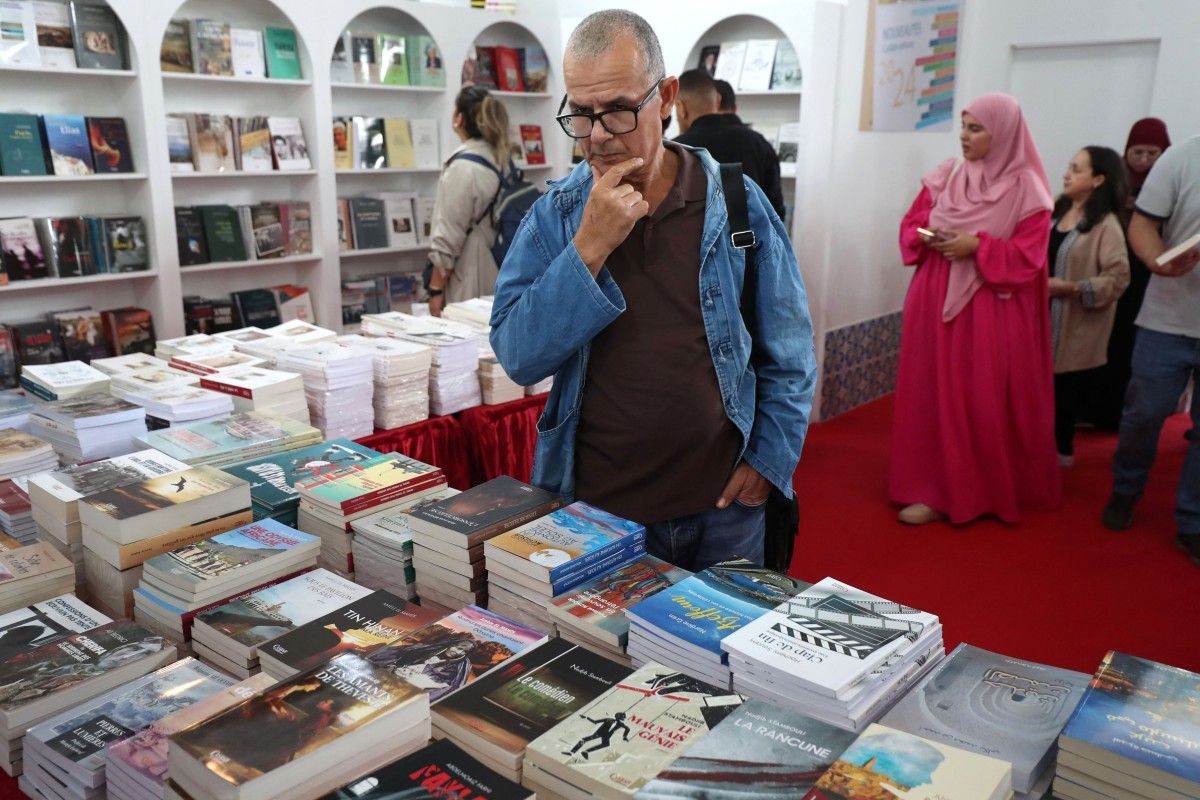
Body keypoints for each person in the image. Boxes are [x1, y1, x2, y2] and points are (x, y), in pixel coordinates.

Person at [489, 10, 815, 572]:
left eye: (616, 111)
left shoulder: (736, 203)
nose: (596, 136)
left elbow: (789, 353)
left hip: (724, 509)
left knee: (721, 661)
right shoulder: (558, 217)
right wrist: (588, 249)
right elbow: (517, 356)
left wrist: (768, 461)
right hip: (596, 512)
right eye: (581, 114)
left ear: (665, 98)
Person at [890, 93, 1059, 526]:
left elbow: (1029, 257)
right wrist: (927, 235)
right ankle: (930, 487)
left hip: (989, 308)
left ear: (1002, 133)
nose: (964, 137)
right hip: (934, 295)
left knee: (979, 398)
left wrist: (976, 246)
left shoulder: (1028, 189)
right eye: (963, 126)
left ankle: (981, 488)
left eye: (975, 128)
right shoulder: (948, 177)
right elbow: (911, 224)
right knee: (932, 393)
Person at [1102, 134, 1200, 566]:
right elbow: (1142, 225)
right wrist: (1157, 260)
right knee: (1144, 413)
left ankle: (1192, 522)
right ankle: (1126, 488)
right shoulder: (1183, 157)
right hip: (1169, 317)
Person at [1086, 118, 1172, 429]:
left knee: (1132, 344)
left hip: (1149, 275)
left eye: (1153, 153)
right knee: (1106, 338)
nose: (1145, 160)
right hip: (1112, 268)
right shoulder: (1112, 177)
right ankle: (1095, 409)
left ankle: (1119, 413)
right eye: (1138, 152)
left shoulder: (1170, 179)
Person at [1048, 146, 1130, 465]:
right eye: (1069, 166)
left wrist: (1071, 288)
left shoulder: (1105, 224)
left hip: (1074, 326)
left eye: (1077, 169)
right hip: (1039, 318)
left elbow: (1118, 278)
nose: (1067, 173)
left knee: (1063, 398)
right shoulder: (1056, 210)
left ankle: (1057, 458)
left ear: (1098, 179)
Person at [426, 86, 511, 315]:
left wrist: (435, 291)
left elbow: (448, 238)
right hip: (499, 265)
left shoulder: (462, 168)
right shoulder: (501, 159)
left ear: (459, 119)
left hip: (468, 272)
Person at [673, 68, 786, 219]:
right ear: (718, 100)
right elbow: (776, 212)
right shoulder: (758, 142)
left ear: (681, 108)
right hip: (752, 241)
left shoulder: (676, 150)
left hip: (692, 242)